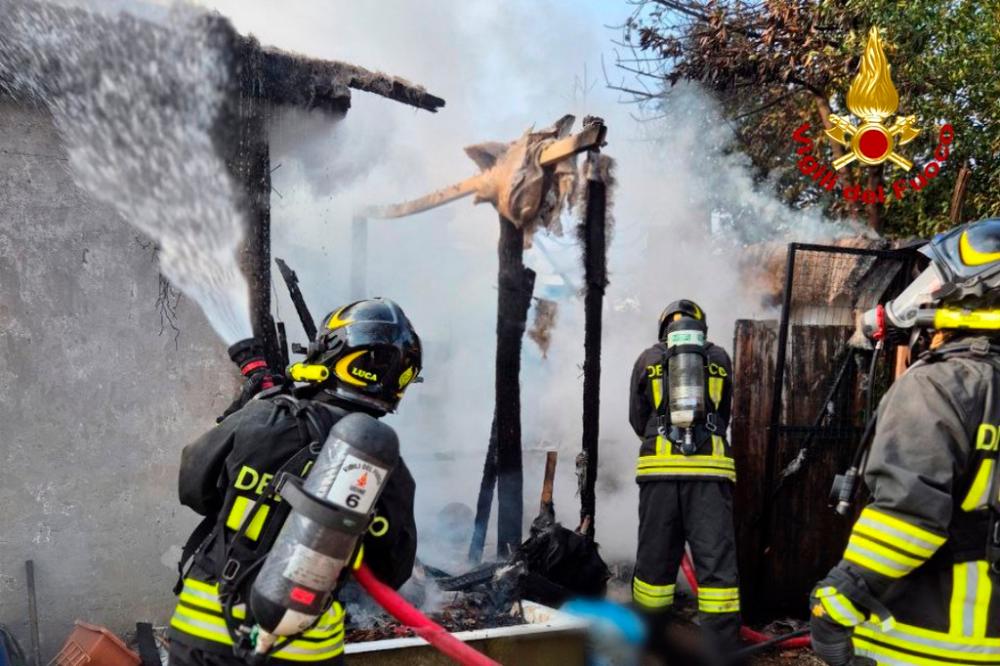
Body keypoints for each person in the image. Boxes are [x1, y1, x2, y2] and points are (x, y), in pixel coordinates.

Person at [168, 298, 423, 666]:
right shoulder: (387, 469)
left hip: (205, 632)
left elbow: (193, 489)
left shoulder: (262, 416)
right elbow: (391, 571)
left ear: (330, 352)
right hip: (303, 650)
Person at [810, 219, 1000, 666]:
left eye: (937, 279)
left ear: (978, 290)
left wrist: (840, 595)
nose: (923, 292)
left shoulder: (941, 383)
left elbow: (908, 515)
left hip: (929, 640)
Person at [628, 299, 741, 655]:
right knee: (716, 568)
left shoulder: (647, 359)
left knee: (653, 567)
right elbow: (724, 414)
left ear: (663, 328)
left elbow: (637, 418)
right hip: (710, 474)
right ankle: (720, 652)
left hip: (659, 473)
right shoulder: (720, 358)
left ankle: (649, 648)